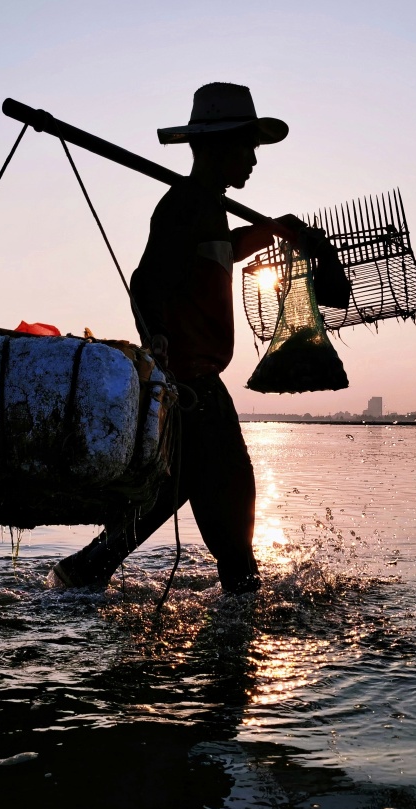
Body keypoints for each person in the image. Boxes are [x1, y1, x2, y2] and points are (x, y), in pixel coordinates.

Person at [52, 82, 307, 595]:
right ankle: (240, 619)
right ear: (214, 147)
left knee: (174, 489)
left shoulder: (207, 207)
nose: (254, 159)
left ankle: (84, 572)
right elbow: (145, 281)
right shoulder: (184, 206)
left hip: (192, 384)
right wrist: (161, 342)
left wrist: (273, 229)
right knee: (233, 498)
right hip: (192, 387)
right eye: (246, 146)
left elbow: (220, 250)